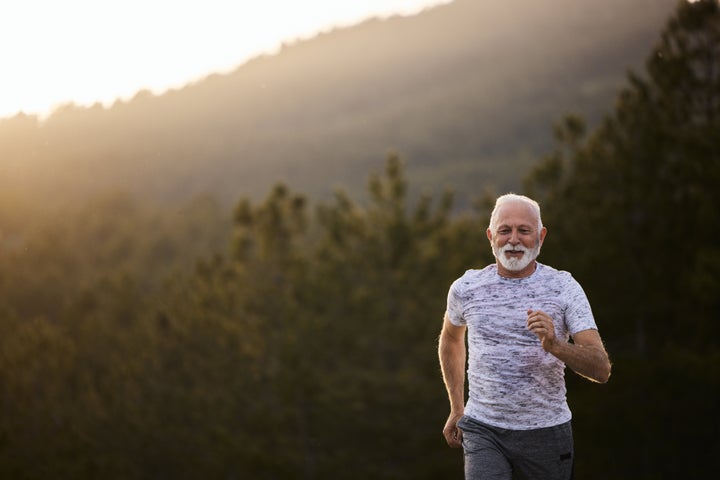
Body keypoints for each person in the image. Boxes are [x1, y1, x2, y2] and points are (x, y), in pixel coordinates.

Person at [438, 193, 611, 480]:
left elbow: (601, 368)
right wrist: (457, 407)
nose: (513, 239)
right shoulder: (465, 288)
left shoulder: (563, 288)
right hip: (483, 429)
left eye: (524, 230)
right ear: (491, 236)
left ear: (541, 236)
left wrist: (556, 345)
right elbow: (451, 339)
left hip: (546, 432)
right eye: (505, 230)